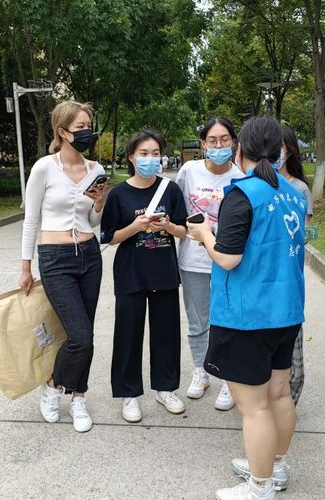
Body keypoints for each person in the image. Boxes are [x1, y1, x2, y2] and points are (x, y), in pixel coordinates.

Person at [188, 117, 307, 500]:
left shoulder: (243, 194)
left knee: (254, 407)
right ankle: (275, 467)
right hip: (286, 312)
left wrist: (204, 234)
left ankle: (259, 486)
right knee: (279, 395)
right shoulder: (293, 194)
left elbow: (227, 258)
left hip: (247, 315)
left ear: (242, 149)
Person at [19, 101, 108, 433]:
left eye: (88, 125)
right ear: (63, 132)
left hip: (89, 254)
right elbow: (31, 220)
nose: (87, 132)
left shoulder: (96, 169)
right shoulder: (44, 167)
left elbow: (93, 221)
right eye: (80, 127)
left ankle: (79, 396)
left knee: (88, 332)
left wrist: (99, 203)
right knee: (79, 336)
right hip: (55, 258)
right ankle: (54, 385)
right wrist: (26, 267)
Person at [100, 130, 188, 423]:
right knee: (128, 334)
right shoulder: (118, 194)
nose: (150, 159)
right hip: (130, 273)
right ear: (131, 158)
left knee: (166, 333)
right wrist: (136, 227)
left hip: (163, 272)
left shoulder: (170, 190)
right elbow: (109, 237)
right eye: (144, 154)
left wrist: (167, 227)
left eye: (155, 153)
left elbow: (184, 230)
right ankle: (129, 394)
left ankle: (166, 389)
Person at [176, 117, 244, 410]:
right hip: (193, 262)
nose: (219, 146)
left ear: (233, 142)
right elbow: (178, 209)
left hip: (228, 262)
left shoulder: (241, 176)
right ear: (203, 144)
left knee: (228, 321)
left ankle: (229, 378)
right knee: (197, 322)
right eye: (212, 141)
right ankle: (201, 371)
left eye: (224, 140)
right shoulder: (189, 171)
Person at [279, 125, 314, 405]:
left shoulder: (299, 189)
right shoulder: (254, 186)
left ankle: (288, 400)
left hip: (288, 276)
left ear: (289, 151)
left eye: (278, 147)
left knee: (291, 340)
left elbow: (303, 235)